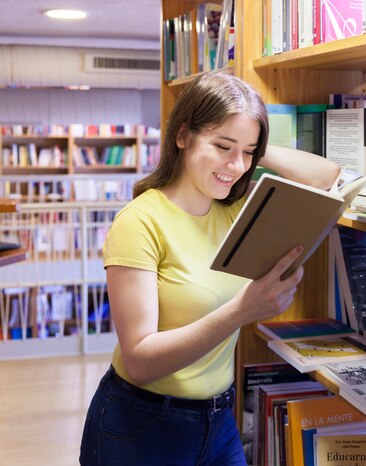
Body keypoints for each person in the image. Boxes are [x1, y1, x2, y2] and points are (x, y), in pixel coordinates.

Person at [79, 71, 339, 466]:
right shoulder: (139, 221)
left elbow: (326, 177)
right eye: (221, 146)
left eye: (248, 153)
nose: (236, 166)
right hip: (142, 425)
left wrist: (248, 140)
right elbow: (140, 360)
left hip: (219, 419)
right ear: (183, 135)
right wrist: (241, 311)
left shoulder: (236, 207)